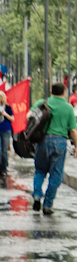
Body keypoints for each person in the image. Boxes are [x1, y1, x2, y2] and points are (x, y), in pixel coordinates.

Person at [30, 83, 77, 214]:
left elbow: (29, 116)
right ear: (64, 92)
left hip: (42, 140)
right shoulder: (68, 107)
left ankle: (37, 195)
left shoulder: (42, 103)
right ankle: (48, 204)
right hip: (60, 141)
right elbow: (73, 130)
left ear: (51, 91)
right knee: (56, 174)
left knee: (40, 171)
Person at [0, 90, 14, 179]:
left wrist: (4, 114)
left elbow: (12, 119)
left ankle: (3, 169)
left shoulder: (7, 107)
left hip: (6, 130)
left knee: (4, 150)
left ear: (1, 98)